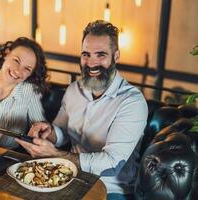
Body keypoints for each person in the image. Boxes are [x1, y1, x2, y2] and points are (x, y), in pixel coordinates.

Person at [16, 20, 148, 200]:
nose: (91, 63)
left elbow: (111, 164)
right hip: (68, 177)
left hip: (112, 189)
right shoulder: (74, 90)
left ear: (116, 56)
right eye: (86, 54)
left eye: (101, 55)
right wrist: (49, 132)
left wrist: (55, 154)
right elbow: (62, 133)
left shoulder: (132, 103)